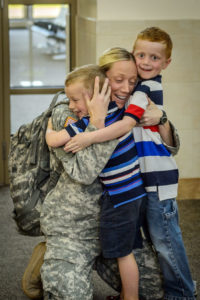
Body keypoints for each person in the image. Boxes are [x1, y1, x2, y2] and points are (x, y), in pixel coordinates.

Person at [63, 28, 195, 300]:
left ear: (165, 63)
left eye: (131, 80)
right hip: (132, 186)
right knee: (138, 244)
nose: (126, 86)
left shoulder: (143, 92)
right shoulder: (100, 99)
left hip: (155, 180)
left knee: (164, 242)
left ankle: (182, 295)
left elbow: (166, 143)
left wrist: (162, 119)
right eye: (141, 56)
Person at [46, 62, 146, 300]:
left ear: (94, 96)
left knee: (148, 283)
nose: (71, 105)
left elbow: (56, 140)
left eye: (131, 81)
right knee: (74, 293)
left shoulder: (118, 116)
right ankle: (53, 257)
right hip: (74, 227)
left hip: (119, 203)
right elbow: (83, 172)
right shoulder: (71, 114)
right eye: (118, 80)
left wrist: (91, 126)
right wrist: (52, 123)